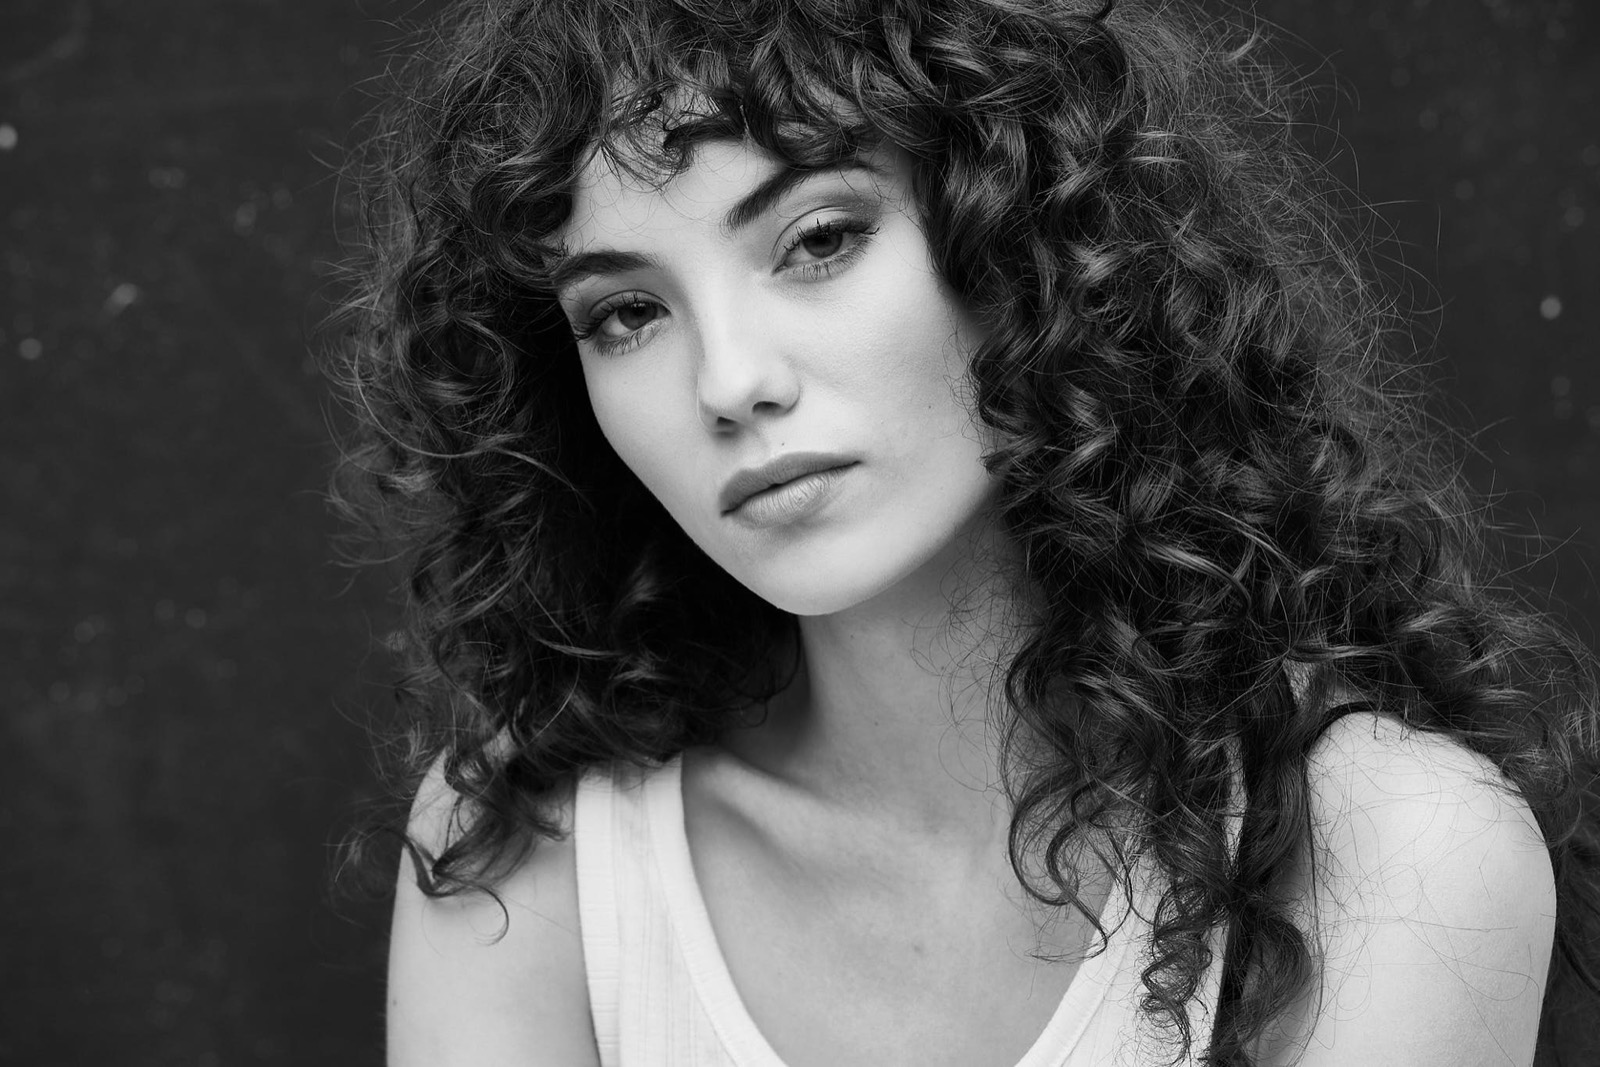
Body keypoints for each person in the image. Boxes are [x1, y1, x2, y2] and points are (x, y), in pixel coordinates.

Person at [329, 0, 1600, 1063]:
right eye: (625, 314)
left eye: (817, 240)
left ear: (1020, 234)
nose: (729, 380)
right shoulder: (528, 851)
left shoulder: (1393, 850)